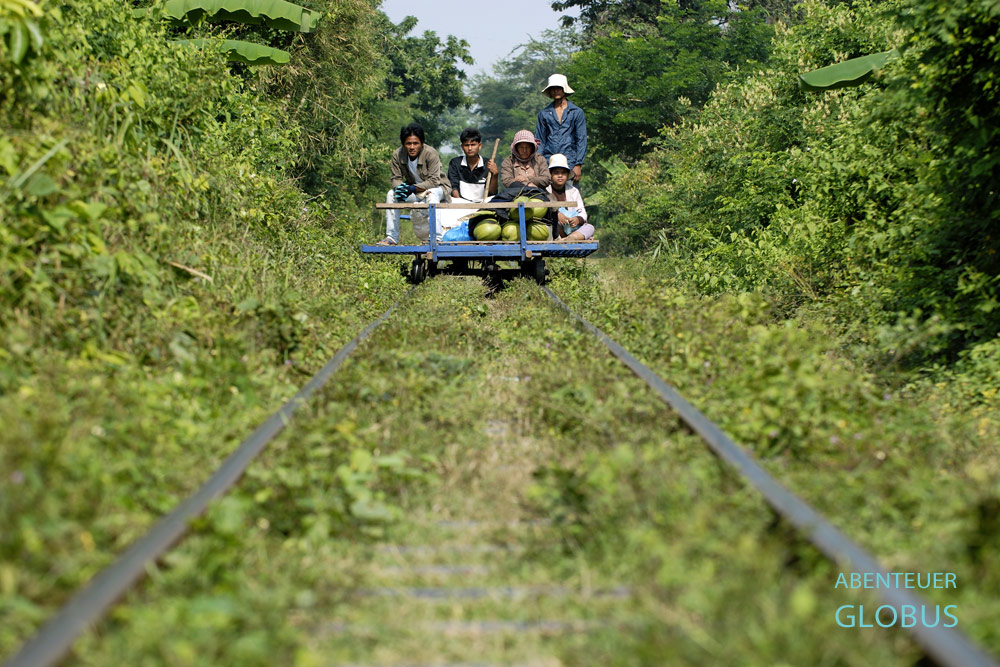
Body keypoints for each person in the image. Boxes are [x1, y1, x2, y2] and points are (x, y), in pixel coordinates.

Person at [379, 123, 449, 245]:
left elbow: (434, 181)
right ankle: (391, 237)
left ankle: (436, 238)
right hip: (414, 191)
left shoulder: (430, 153)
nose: (412, 147)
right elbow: (396, 178)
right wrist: (401, 188)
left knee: (431, 193)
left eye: (415, 143)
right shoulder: (398, 154)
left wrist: (413, 188)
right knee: (391, 194)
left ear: (421, 143)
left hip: (437, 189)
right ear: (403, 144)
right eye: (408, 144)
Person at [441, 128, 498, 235]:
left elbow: (492, 192)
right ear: (462, 147)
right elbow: (454, 188)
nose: (470, 148)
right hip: (462, 203)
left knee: (495, 200)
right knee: (448, 202)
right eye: (466, 145)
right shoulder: (455, 163)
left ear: (479, 145)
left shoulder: (488, 164)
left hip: (482, 203)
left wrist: (495, 174)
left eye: (473, 144)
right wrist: (461, 205)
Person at [535, 74, 587, 186]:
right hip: (549, 160)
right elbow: (540, 140)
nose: (555, 91)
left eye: (558, 88)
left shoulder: (577, 112)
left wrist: (578, 164)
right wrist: (539, 163)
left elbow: (581, 139)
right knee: (548, 197)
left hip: (570, 161)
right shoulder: (544, 114)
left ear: (564, 89)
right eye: (553, 89)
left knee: (570, 195)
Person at [546, 153, 593, 242]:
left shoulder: (573, 191)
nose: (560, 176)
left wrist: (577, 220)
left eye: (563, 173)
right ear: (550, 175)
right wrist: (557, 214)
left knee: (590, 227)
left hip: (573, 229)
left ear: (567, 175)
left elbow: (582, 212)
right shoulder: (545, 190)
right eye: (556, 173)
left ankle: (572, 238)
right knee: (553, 224)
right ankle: (566, 238)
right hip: (556, 229)